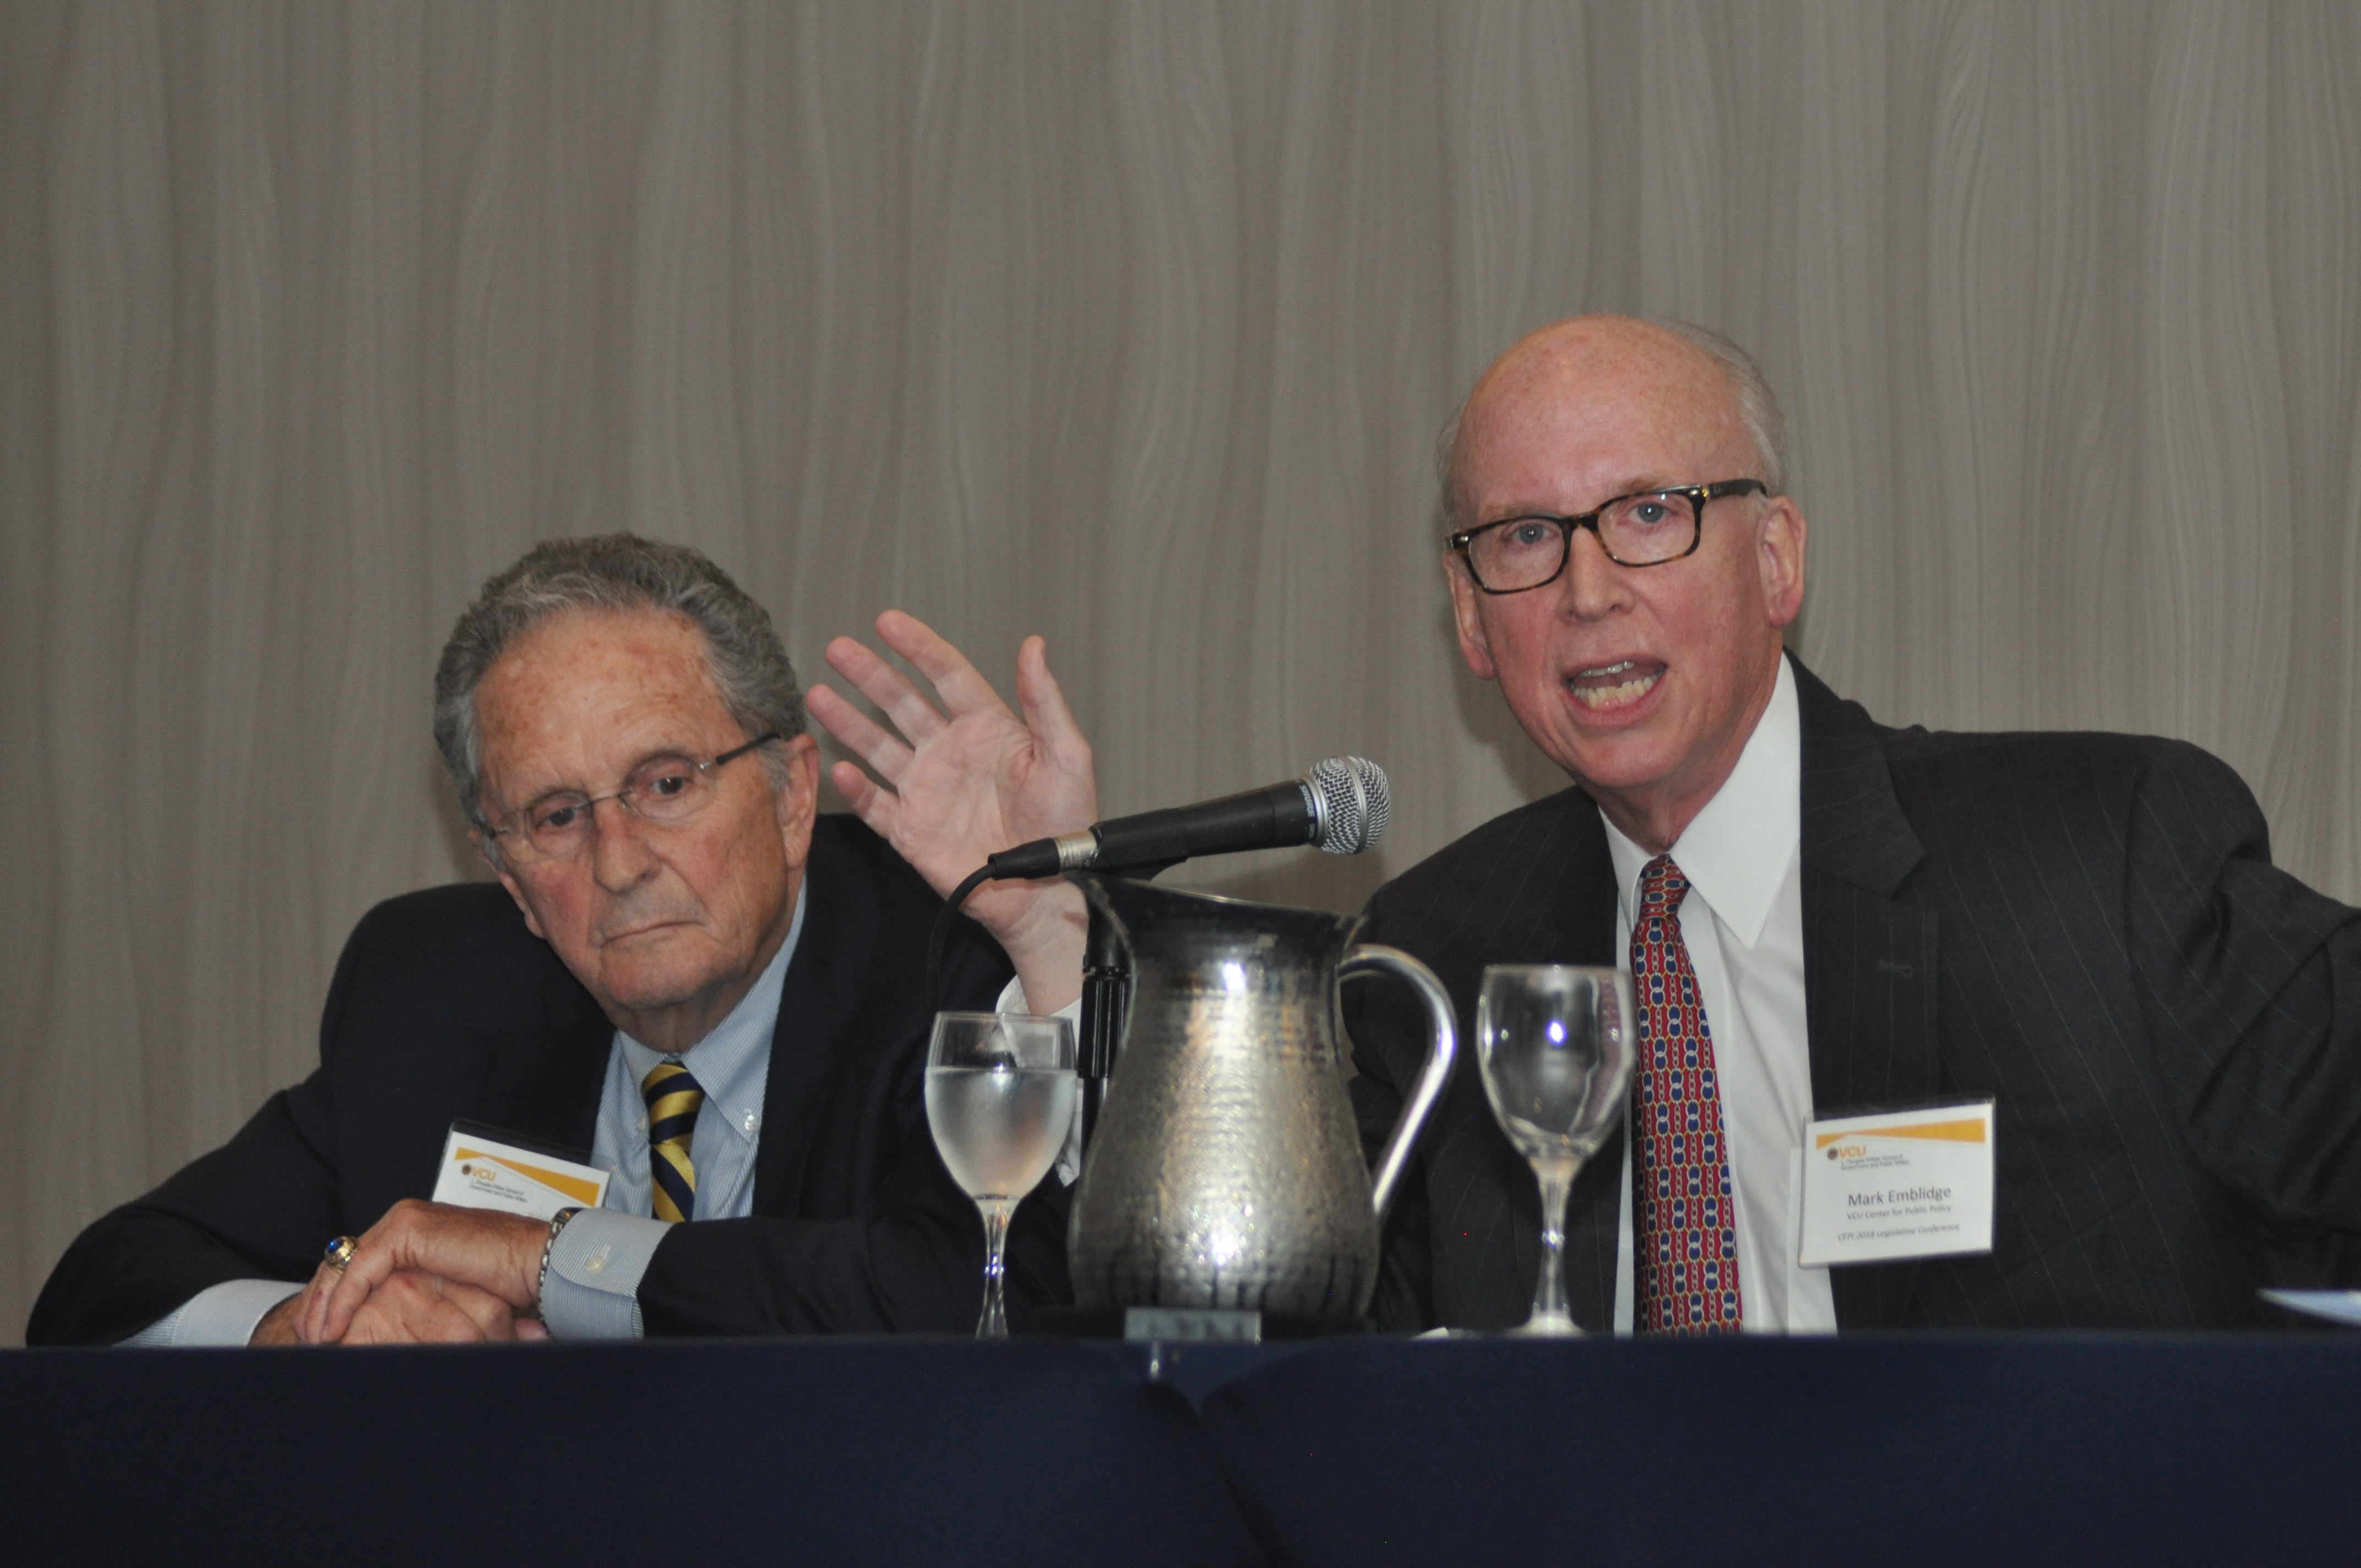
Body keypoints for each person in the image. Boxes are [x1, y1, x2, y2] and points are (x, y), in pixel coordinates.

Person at [823, 315, 2361, 1333]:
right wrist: (1053, 940)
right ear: (1471, 627)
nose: (1585, 589)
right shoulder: (1430, 958)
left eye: (1646, 514)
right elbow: (1229, 1336)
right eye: (1521, 539)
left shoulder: (2098, 858)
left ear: (1778, 561)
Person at [29, 534, 1087, 1346]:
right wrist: (313, 1321)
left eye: (667, 784)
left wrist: (541, 1262)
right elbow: (106, 1280)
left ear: (793, 796)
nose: (619, 862)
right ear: (512, 883)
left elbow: (964, 1294)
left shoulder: (954, 955)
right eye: (555, 816)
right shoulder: (437, 995)